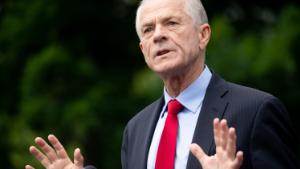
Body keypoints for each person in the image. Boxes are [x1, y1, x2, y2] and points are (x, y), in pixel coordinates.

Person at [26, 0, 299, 169]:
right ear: (142, 48)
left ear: (203, 35)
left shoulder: (256, 110)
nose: (158, 35)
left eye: (171, 23)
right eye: (148, 29)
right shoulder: (136, 128)